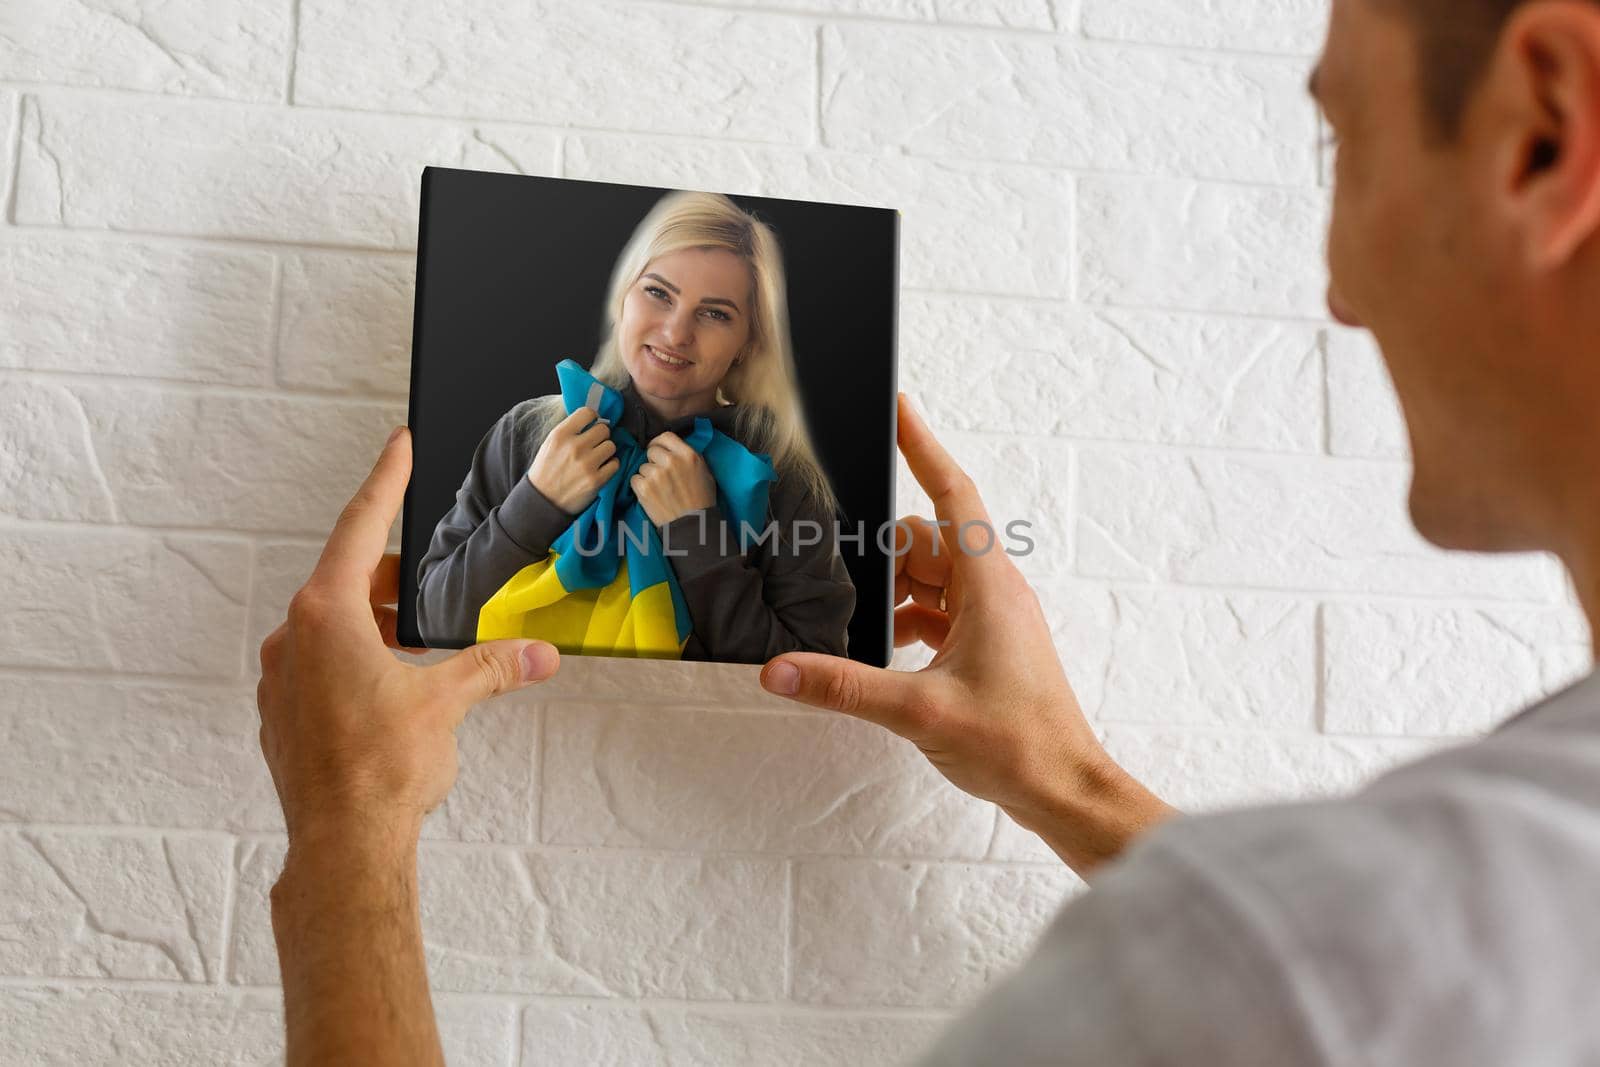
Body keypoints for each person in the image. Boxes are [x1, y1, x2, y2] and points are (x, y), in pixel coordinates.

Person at [256, 0, 1600, 1062]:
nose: (1337, 288)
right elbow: (436, 583)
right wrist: (1064, 776)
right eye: (652, 295)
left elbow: (771, 630)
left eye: (1343, 141)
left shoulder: (770, 485)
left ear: (1549, 127)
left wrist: (347, 830)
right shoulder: (517, 434)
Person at [414, 189, 856, 663]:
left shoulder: (780, 481)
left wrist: (697, 537)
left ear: (748, 341)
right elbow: (434, 621)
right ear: (623, 296)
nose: (675, 333)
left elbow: (812, 674)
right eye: (658, 293)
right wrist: (535, 504)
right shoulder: (526, 433)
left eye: (714, 313)